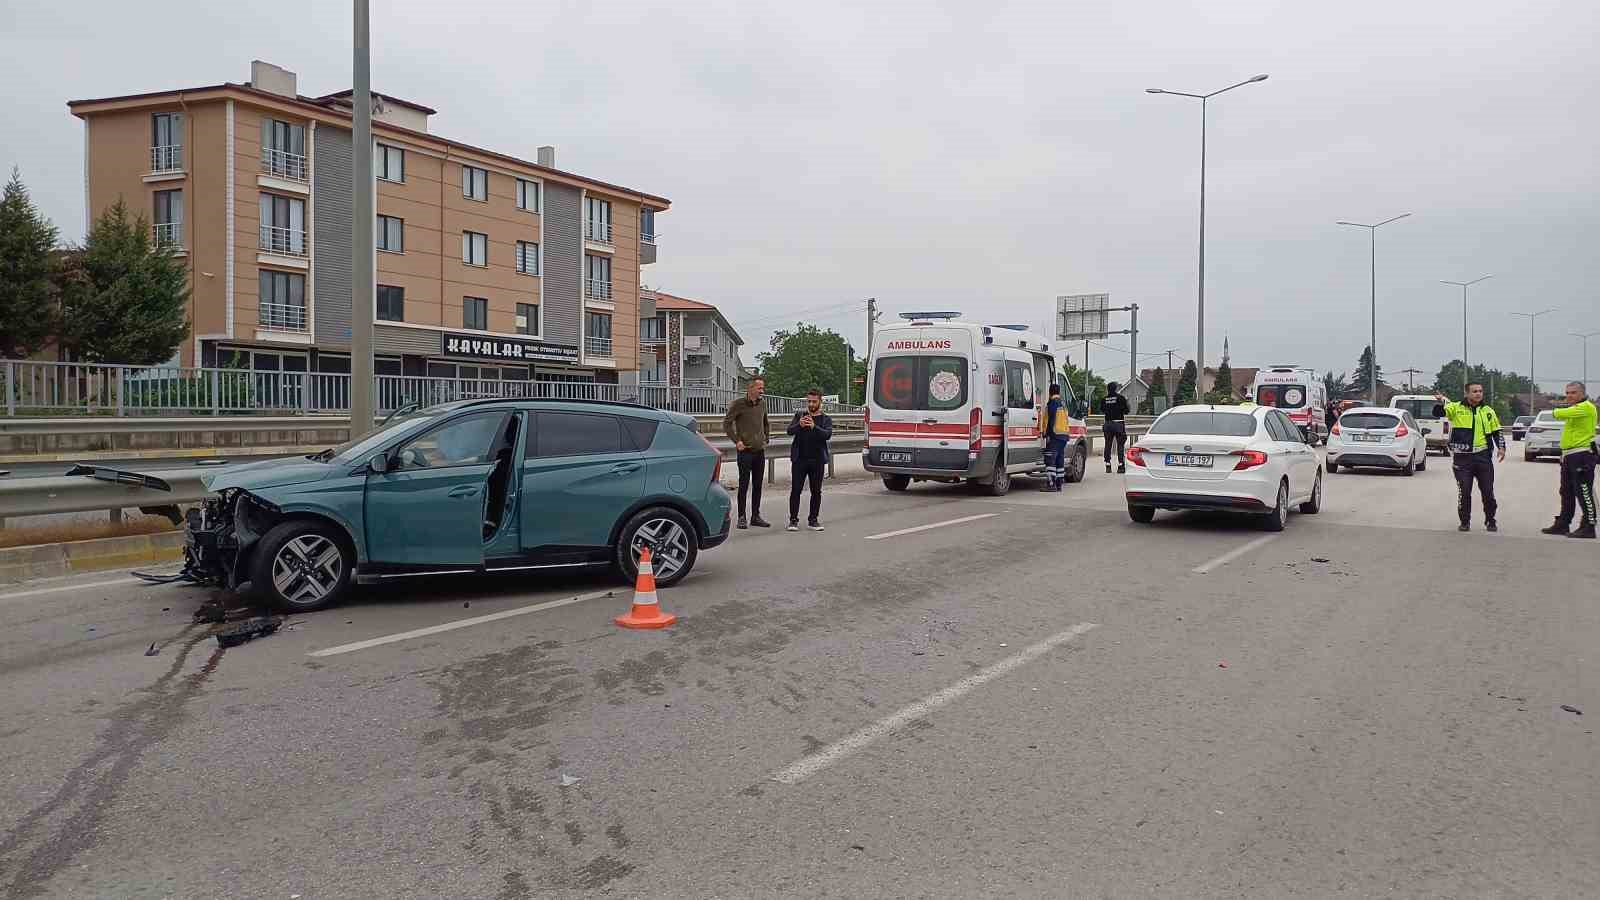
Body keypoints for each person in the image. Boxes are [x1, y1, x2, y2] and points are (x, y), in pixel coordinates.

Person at [1435, 385, 1505, 532]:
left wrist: (1502, 447)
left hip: (1483, 458)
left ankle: (1490, 520)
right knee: (1464, 491)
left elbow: (1497, 431)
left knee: (1488, 492)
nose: (1478, 394)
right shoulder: (1456, 408)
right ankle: (1465, 521)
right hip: (1462, 459)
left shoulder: (1488, 411)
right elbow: (1440, 411)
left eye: (1480, 391)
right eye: (1474, 391)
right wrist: (1441, 402)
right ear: (1466, 393)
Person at [1540, 381, 1597, 539]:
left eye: (1573, 393)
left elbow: (1559, 414)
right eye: (1567, 393)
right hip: (1570, 455)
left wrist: (1554, 408)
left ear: (1582, 393)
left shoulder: (1585, 407)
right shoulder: (1575, 409)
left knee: (1583, 492)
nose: (1569, 396)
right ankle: (1563, 523)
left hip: (1582, 455)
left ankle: (1589, 527)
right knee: (1566, 491)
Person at [723, 377, 771, 529]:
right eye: (759, 388)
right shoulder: (739, 404)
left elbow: (765, 422)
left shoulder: (762, 403)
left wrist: (766, 438)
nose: (762, 391)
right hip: (745, 452)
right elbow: (727, 424)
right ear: (750, 388)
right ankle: (742, 517)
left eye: (762, 388)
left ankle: (755, 516)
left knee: (758, 485)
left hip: (759, 451)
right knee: (744, 484)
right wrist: (737, 441)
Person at [785, 388, 833, 531]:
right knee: (796, 490)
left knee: (816, 491)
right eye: (809, 401)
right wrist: (799, 425)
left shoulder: (825, 419)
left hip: (817, 459)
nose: (811, 404)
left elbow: (827, 435)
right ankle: (793, 520)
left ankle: (813, 520)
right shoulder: (800, 415)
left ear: (820, 401)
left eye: (814, 401)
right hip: (800, 459)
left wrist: (814, 426)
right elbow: (789, 431)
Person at [1041, 384, 1070, 491]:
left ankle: (1051, 484)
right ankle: (1059, 484)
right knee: (1059, 460)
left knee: (1050, 460)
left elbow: (1049, 421)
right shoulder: (1063, 404)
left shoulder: (1051, 404)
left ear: (1050, 392)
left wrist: (1046, 434)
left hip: (1054, 435)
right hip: (1064, 435)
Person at [1100, 381, 1130, 474]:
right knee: (1120, 445)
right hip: (1118, 423)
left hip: (1108, 424)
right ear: (1116, 388)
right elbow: (1126, 410)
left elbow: (1102, 410)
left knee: (1108, 444)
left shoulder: (1104, 399)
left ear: (1107, 389)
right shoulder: (1121, 398)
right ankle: (1121, 466)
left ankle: (1108, 465)